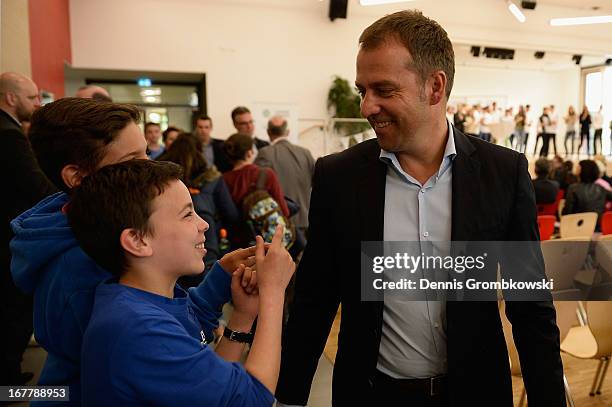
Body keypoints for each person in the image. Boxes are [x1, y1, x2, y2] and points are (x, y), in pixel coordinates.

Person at [276, 10, 564, 407]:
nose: (366, 107)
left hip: (476, 392)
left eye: (383, 90)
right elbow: (315, 298)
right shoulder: (339, 177)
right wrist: (288, 397)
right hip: (373, 394)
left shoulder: (502, 172)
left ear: (435, 86)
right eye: (363, 90)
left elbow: (529, 304)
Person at [9, 98, 250, 404]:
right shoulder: (81, 268)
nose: (149, 166)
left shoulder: (88, 227)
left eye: (146, 154)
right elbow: (166, 343)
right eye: (133, 159)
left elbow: (172, 312)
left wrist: (219, 281)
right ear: (77, 177)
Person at [66, 159, 295, 406]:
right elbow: (253, 398)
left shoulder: (143, 299)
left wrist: (241, 314)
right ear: (138, 240)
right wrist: (273, 292)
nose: (204, 224)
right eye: (188, 214)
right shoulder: (139, 330)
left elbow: (210, 393)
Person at [0, 72, 57, 385]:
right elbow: (36, 187)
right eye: (32, 97)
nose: (38, 103)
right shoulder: (9, 135)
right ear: (10, 98)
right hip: (7, 235)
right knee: (13, 308)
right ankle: (6, 379)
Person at [158, 133, 240, 284]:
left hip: (168, 247)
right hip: (208, 244)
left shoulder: (162, 179)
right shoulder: (212, 178)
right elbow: (231, 214)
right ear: (200, 151)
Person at [255, 116, 315, 236]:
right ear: (287, 132)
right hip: (305, 219)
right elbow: (316, 182)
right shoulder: (305, 153)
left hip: (279, 222)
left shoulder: (265, 153)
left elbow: (259, 189)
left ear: (268, 132)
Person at [563, 159, 612, 225]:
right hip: (597, 228)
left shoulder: (573, 188)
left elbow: (567, 213)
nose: (576, 169)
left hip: (577, 228)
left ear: (582, 171)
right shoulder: (601, 189)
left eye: (578, 167)